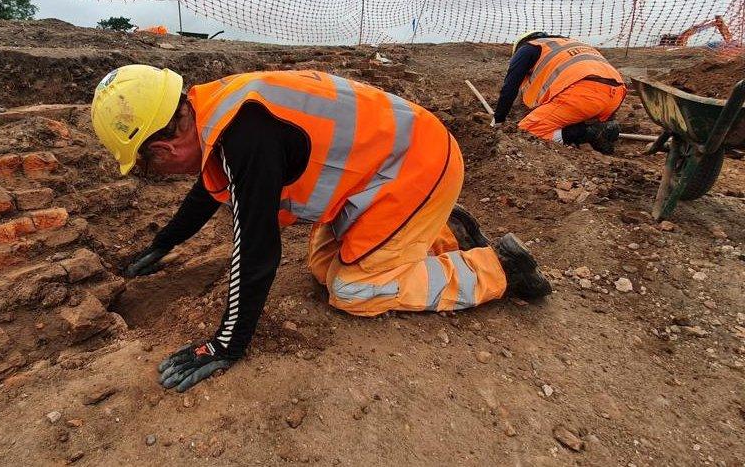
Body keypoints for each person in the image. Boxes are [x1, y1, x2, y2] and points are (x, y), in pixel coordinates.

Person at [90, 65, 552, 392]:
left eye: (152, 166)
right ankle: (438, 231)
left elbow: (255, 249)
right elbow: (210, 193)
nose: (169, 175)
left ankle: (500, 270)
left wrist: (226, 345)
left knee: (354, 291)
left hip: (418, 168)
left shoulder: (245, 136)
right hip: (385, 175)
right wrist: (163, 245)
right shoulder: (217, 109)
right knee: (321, 264)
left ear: (165, 149)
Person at [492, 31, 626, 154]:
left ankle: (588, 133)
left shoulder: (528, 48)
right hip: (616, 96)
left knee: (524, 133)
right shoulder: (568, 44)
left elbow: (510, 86)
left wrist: (498, 119)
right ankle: (606, 128)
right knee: (571, 119)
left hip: (582, 93)